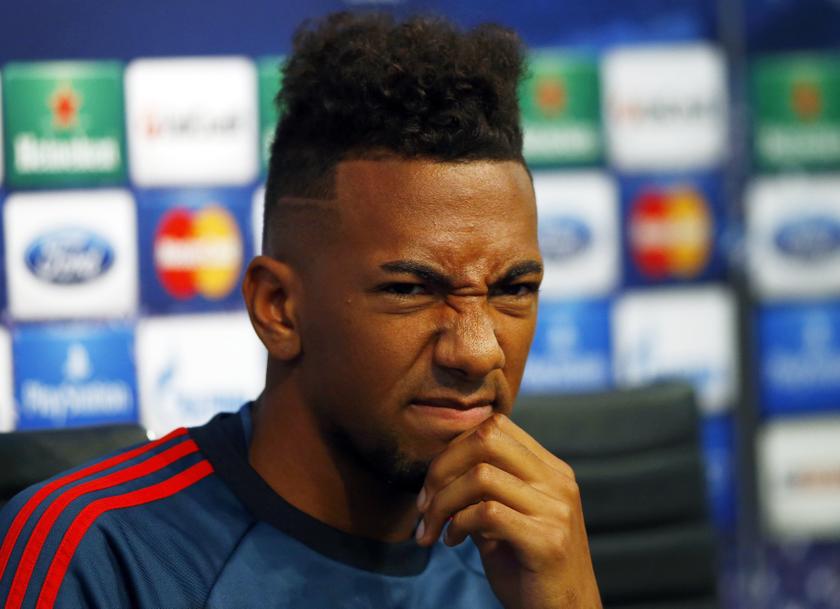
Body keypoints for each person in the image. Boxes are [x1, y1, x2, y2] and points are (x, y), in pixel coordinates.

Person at [0, 12, 602, 609]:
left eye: (514, 290)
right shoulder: (100, 556)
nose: (478, 350)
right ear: (278, 308)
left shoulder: (532, 554)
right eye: (410, 290)